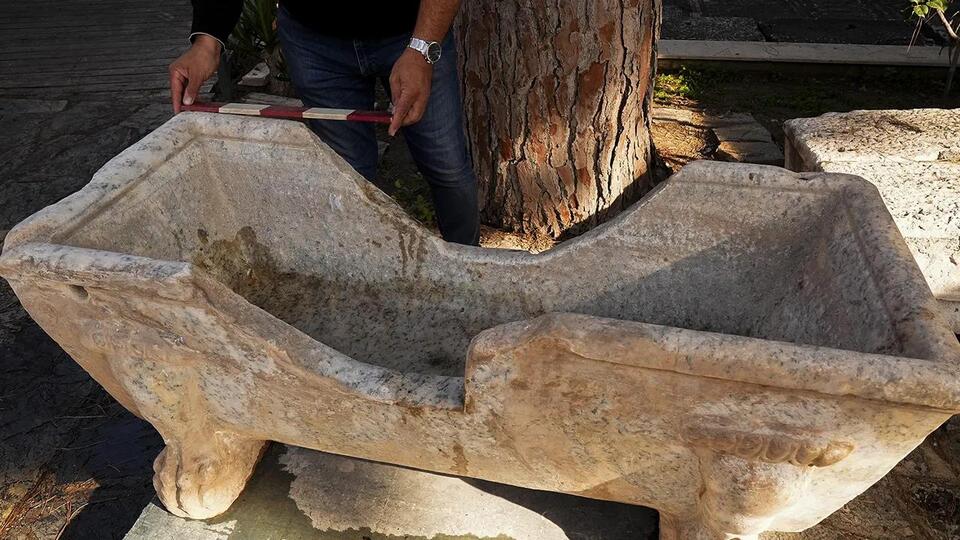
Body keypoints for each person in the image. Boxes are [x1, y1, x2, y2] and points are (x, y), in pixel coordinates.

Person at [169, 1, 480, 246]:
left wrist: (423, 49)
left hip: (412, 32)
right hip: (313, 42)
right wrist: (207, 42)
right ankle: (367, 278)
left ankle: (471, 268)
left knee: (447, 166)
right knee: (348, 176)